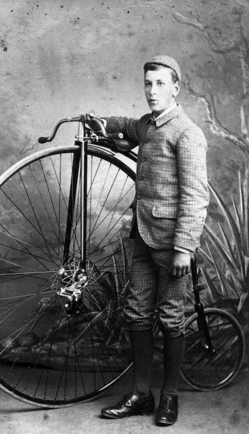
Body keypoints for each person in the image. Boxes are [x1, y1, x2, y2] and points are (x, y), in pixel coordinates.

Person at [87, 55, 209, 426]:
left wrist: (184, 247)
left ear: (175, 88)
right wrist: (99, 122)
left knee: (171, 318)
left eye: (160, 84)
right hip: (141, 236)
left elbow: (195, 196)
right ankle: (142, 394)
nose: (152, 91)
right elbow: (126, 125)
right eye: (147, 84)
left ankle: (169, 398)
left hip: (172, 245)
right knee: (137, 311)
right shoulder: (149, 126)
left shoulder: (186, 133)